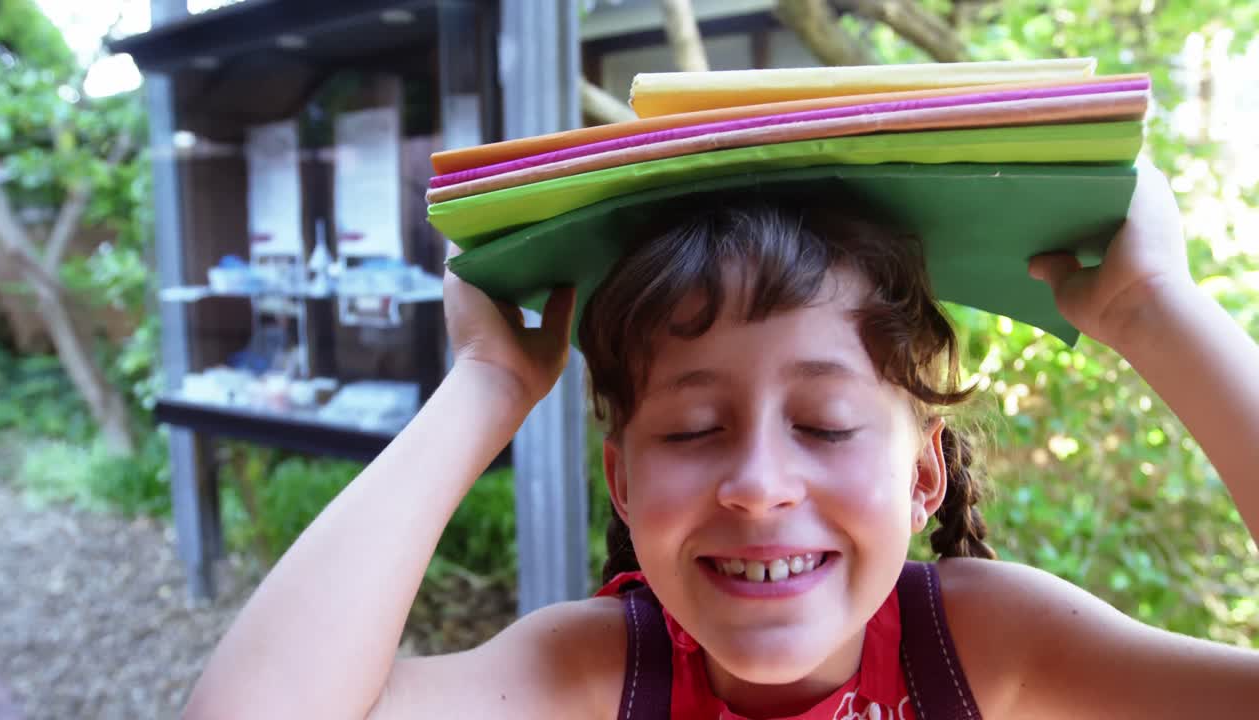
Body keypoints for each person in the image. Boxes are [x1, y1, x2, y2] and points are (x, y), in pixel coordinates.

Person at [183, 163, 1259, 719]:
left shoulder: (977, 654)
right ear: (619, 476)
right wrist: (486, 384)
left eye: (825, 423)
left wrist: (1156, 313)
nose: (755, 483)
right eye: (692, 429)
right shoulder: (602, 676)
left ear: (921, 470)